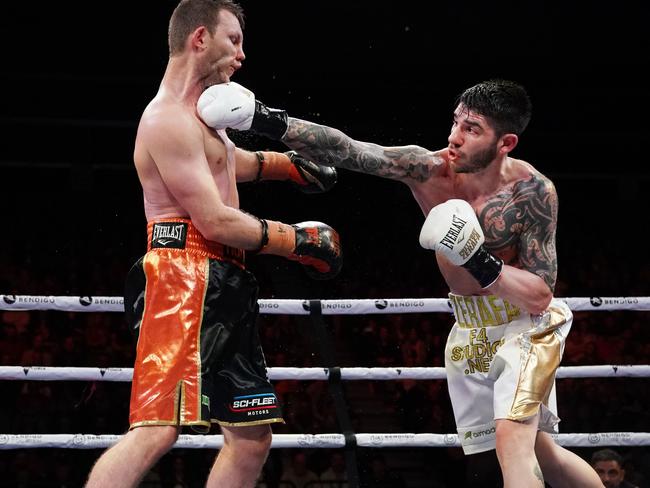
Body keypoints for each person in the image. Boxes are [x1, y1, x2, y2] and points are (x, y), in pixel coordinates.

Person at [196, 78, 603, 487]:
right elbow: (351, 150)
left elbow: (540, 296)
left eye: (472, 129)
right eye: (456, 122)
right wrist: (266, 120)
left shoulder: (532, 193)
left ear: (506, 142)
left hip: (525, 327)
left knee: (512, 439)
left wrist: (478, 260)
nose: (454, 138)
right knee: (542, 452)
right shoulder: (427, 170)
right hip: (471, 326)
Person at [85, 1, 341, 487]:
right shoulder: (166, 120)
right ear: (200, 38)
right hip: (182, 276)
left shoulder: (201, 116)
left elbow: (225, 164)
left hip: (225, 280)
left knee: (250, 438)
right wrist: (297, 240)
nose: (242, 55)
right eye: (234, 40)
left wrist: (286, 164)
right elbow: (215, 220)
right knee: (157, 430)